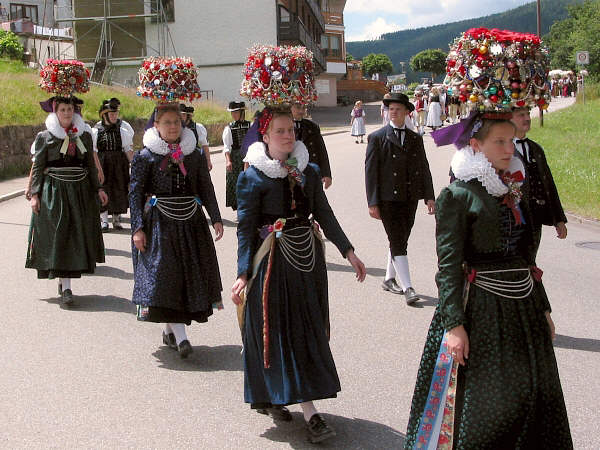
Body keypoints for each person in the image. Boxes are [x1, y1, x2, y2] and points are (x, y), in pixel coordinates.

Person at [405, 112, 573, 448]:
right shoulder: (457, 195)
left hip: (522, 309)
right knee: (486, 403)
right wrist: (453, 325)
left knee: (530, 394)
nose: (509, 147)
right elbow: (448, 265)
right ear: (475, 145)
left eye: (511, 140)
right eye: (499, 141)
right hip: (480, 310)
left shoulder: (514, 190)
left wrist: (544, 309)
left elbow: (527, 260)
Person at [231, 106, 366, 443]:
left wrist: (348, 251)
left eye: (291, 130)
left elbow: (324, 214)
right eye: (280, 131)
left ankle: (285, 395)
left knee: (306, 330)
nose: (288, 136)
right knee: (278, 332)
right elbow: (246, 230)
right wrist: (243, 274)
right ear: (265, 135)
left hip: (307, 261)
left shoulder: (309, 169)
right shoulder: (252, 177)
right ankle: (311, 413)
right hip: (274, 264)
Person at [130, 103, 224, 358]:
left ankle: (171, 329)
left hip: (190, 223)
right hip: (160, 225)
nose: (173, 126)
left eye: (176, 122)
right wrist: (138, 228)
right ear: (156, 126)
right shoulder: (145, 156)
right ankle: (182, 338)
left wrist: (215, 217)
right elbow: (135, 193)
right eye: (167, 122)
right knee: (165, 276)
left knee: (184, 278)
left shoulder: (193, 155)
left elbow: (205, 187)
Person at [26, 95, 108, 306]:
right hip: (55, 192)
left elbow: (90, 164)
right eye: (62, 109)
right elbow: (37, 168)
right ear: (56, 112)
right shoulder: (45, 137)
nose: (66, 113)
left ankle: (67, 284)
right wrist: (35, 195)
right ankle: (66, 285)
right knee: (60, 236)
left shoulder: (84, 136)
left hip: (79, 192)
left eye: (70, 109)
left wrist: (98, 188)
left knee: (74, 236)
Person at [365, 93, 435, 304]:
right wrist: (372, 202)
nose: (393, 112)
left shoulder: (415, 138)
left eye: (398, 109)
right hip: (388, 199)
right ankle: (408, 287)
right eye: (390, 109)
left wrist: (429, 196)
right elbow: (371, 173)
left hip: (410, 197)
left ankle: (389, 279)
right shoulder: (377, 137)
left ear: (407, 112)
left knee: (400, 239)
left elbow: (424, 167)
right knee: (398, 241)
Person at [511, 107, 567, 258]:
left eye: (528, 114)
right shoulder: (503, 149)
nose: (527, 118)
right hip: (512, 220)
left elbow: (548, 183)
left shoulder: (536, 149)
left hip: (535, 218)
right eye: (521, 115)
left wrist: (559, 219)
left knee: (530, 260)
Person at [91, 97, 134, 231]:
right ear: (104, 115)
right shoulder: (96, 131)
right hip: (103, 163)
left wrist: (135, 164)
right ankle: (104, 220)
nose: (115, 116)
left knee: (119, 188)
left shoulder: (122, 131)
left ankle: (116, 219)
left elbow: (128, 149)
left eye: (116, 114)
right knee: (104, 188)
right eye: (112, 114)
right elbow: (93, 151)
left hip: (119, 164)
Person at [291, 102, 332, 189]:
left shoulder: (312, 126)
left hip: (312, 172)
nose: (301, 111)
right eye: (298, 107)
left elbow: (321, 151)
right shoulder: (282, 127)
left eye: (303, 107)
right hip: (291, 173)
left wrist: (326, 174)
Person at [222, 101, 251, 211]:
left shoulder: (250, 125)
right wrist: (228, 161)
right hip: (235, 158)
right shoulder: (229, 128)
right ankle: (239, 207)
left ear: (242, 112)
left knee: (249, 181)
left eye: (236, 112)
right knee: (235, 183)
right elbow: (227, 147)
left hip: (249, 157)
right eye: (232, 113)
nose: (233, 115)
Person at [180, 104, 213, 171]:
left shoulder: (197, 127)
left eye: (183, 115)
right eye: (179, 115)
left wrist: (208, 161)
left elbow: (204, 145)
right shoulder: (176, 128)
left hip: (195, 160)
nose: (181, 117)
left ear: (188, 116)